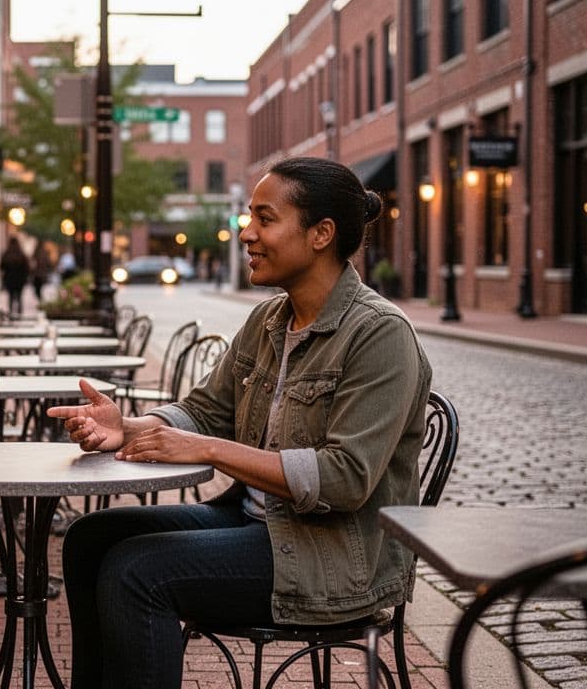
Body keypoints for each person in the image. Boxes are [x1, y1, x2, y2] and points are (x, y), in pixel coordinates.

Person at [49, 156, 432, 688]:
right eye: (248, 218)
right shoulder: (269, 319)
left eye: (264, 219)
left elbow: (344, 479)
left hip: (332, 558)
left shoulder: (380, 335)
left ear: (321, 234)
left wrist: (207, 450)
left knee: (138, 572)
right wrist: (129, 427)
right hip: (257, 524)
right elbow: (206, 410)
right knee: (91, 538)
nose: (246, 233)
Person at [0, 237, 31, 316]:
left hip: (9, 279)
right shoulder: (22, 254)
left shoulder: (6, 254)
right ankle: (19, 313)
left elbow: (1, 267)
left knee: (10, 297)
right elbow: (27, 268)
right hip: (20, 280)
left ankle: (11, 313)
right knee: (19, 297)